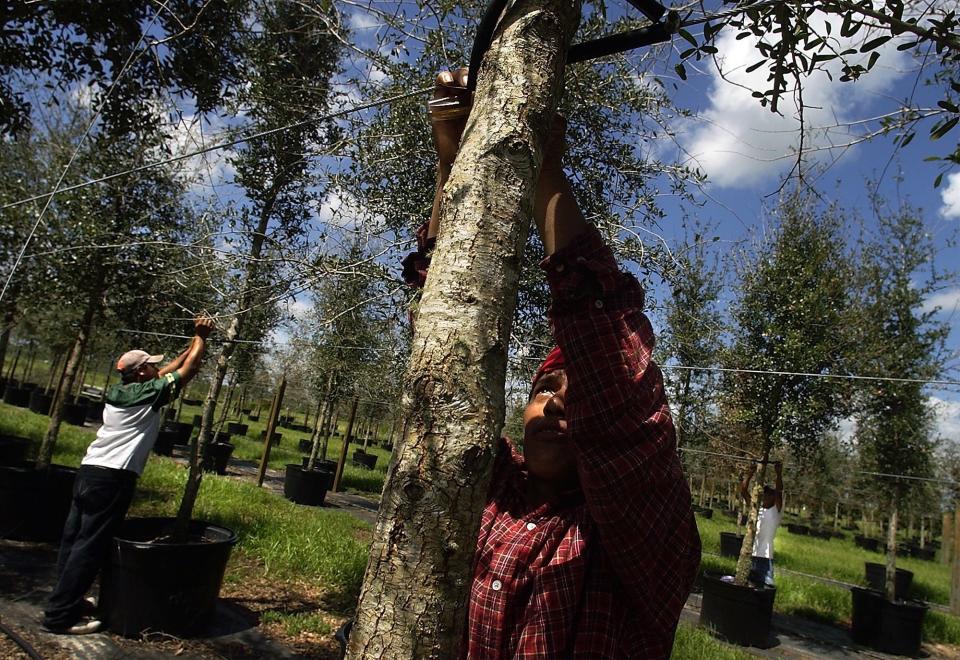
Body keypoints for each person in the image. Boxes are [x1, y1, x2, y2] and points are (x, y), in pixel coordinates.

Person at [403, 68, 701, 658]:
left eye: (577, 388)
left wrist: (545, 171)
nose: (559, 400)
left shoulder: (639, 530)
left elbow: (612, 365)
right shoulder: (489, 490)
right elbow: (440, 337)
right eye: (545, 387)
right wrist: (451, 165)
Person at [42, 316, 214, 635]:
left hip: (89, 472)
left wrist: (192, 341)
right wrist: (202, 338)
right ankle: (59, 617)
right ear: (140, 373)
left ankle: (66, 600)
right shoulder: (147, 396)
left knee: (73, 541)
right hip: (113, 478)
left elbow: (166, 372)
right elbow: (186, 372)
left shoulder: (122, 392)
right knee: (89, 547)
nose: (155, 368)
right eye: (149, 365)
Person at [739, 460, 784, 588]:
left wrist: (778, 474)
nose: (764, 497)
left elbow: (779, 491)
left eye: (768, 495)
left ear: (773, 497)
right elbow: (743, 491)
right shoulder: (755, 508)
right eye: (763, 494)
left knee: (765, 587)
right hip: (750, 553)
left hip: (765, 556)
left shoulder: (776, 510)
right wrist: (750, 473)